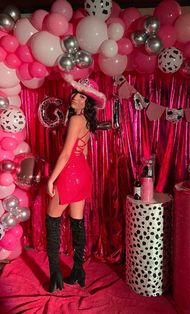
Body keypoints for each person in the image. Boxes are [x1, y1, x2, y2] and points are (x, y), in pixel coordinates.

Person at [45, 78, 106, 293]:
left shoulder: (75, 120)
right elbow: (85, 152)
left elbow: (64, 155)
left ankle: (55, 276)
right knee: (77, 222)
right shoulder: (87, 122)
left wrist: (52, 179)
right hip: (83, 173)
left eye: (81, 96)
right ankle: (79, 271)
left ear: (87, 102)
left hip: (70, 173)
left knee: (52, 221)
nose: (74, 98)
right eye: (74, 93)